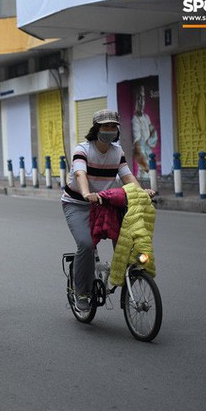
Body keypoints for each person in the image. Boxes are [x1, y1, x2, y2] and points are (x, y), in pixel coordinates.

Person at [61, 109, 154, 311]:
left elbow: (127, 177)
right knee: (86, 244)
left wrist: (142, 192)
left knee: (126, 240)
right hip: (77, 203)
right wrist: (86, 194)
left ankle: (126, 272)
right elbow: (80, 175)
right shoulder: (83, 149)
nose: (109, 130)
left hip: (104, 203)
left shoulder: (117, 152)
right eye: (105, 126)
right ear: (96, 128)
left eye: (113, 126)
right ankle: (82, 293)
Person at [131, 85, 158, 177]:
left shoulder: (146, 117)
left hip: (148, 153)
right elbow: (137, 147)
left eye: (143, 98)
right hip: (143, 158)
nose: (141, 102)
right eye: (138, 98)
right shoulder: (135, 120)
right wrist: (146, 168)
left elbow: (153, 133)